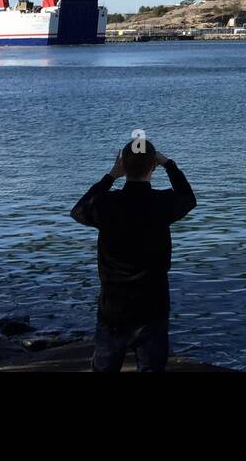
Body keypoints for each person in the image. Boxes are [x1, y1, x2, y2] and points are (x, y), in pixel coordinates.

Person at [70, 138, 197, 372]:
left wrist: (110, 176)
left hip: (113, 308)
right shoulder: (162, 203)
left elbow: (78, 210)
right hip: (152, 307)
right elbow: (188, 198)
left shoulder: (106, 204)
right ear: (153, 167)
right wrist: (169, 164)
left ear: (123, 166)